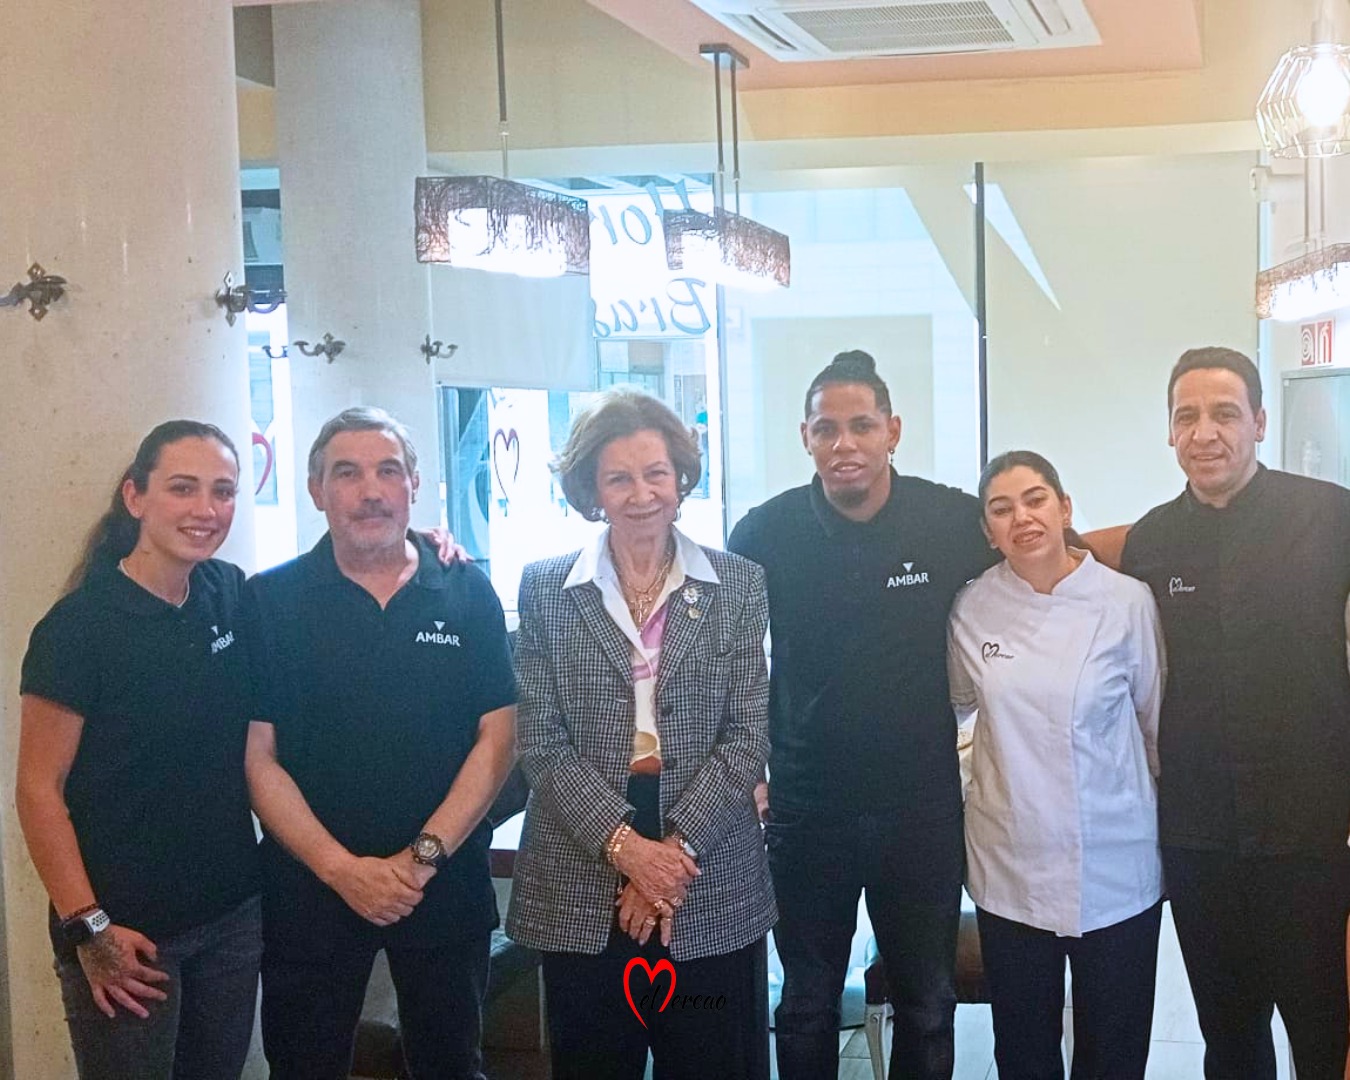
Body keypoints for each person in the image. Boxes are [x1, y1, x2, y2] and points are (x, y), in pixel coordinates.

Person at [727, 350, 998, 1080]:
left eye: (861, 426)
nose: (844, 444)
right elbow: (719, 656)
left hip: (922, 810)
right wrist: (749, 771)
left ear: (893, 431)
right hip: (805, 811)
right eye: (826, 429)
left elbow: (1039, 543)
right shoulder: (763, 534)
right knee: (808, 1004)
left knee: (926, 1004)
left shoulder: (948, 520)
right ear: (805, 437)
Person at [507, 387, 775, 1080]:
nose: (641, 493)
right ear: (591, 490)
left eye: (656, 473)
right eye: (618, 477)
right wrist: (627, 849)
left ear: (681, 478)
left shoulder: (739, 585)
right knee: (595, 1062)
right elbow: (540, 740)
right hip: (582, 851)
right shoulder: (544, 589)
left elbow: (747, 736)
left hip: (707, 859)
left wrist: (669, 857)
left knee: (713, 1060)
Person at [243, 406, 517, 1080]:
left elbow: (498, 739)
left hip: (442, 882)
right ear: (315, 490)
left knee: (452, 1063)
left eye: (387, 471)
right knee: (304, 1067)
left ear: (414, 485)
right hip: (310, 889)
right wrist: (343, 871)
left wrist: (419, 862)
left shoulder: (465, 588)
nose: (371, 490)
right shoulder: (269, 602)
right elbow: (258, 757)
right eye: (348, 473)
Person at [1118, 347, 1350, 1078]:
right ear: (1169, 432)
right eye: (1187, 416)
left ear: (1258, 421)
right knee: (1228, 1031)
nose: (1205, 432)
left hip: (1309, 826)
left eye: (1224, 414)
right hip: (1196, 832)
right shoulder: (1150, 540)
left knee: (1319, 1029)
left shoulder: (1332, 515)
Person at [16, 420, 262, 1079]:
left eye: (223, 491)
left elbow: (318, 588)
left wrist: (421, 548)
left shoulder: (228, 593)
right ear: (135, 496)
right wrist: (89, 930)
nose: (206, 509)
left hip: (232, 918)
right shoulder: (77, 629)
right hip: (125, 935)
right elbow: (38, 789)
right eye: (183, 488)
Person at [948, 450, 1165, 1079]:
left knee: (1115, 1053)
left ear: (1065, 508)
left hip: (1116, 866)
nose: (1022, 517)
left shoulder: (1128, 603)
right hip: (1009, 868)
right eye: (1002, 508)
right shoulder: (971, 609)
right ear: (988, 532)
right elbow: (961, 710)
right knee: (1023, 1053)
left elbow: (1155, 726)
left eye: (1036, 498)